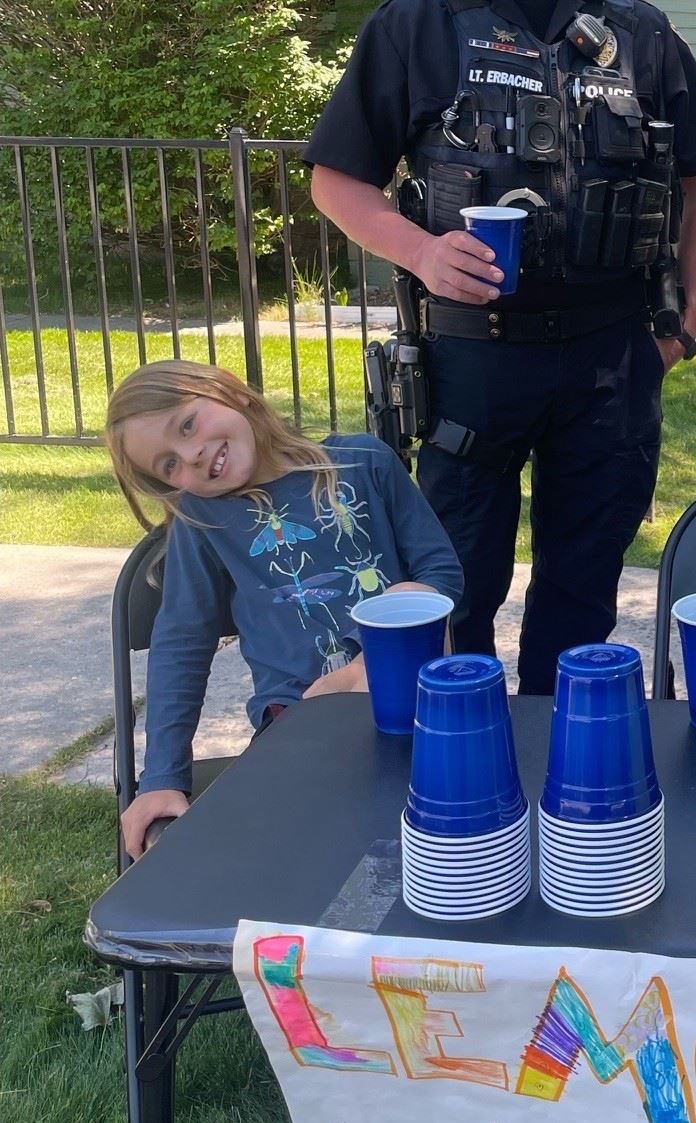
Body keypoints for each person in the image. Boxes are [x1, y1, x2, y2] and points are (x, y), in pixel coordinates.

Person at [305, 0, 696, 691]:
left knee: (584, 589)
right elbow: (337, 179)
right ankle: (469, 785)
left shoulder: (641, 33)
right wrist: (419, 253)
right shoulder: (418, 24)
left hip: (613, 357)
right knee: (456, 585)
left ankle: (567, 778)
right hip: (473, 356)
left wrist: (681, 329)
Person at [106, 359, 463, 860]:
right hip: (296, 727)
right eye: (169, 466)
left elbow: (441, 575)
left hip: (420, 708)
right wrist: (162, 777)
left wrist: (367, 664)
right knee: (302, 867)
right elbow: (181, 641)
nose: (193, 455)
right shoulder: (202, 520)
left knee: (444, 851)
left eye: (187, 425)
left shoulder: (365, 463)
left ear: (232, 392)